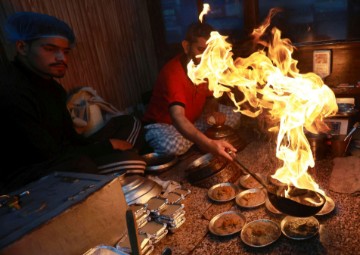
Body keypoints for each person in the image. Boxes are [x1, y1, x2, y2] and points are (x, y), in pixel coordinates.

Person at [0, 12, 145, 193]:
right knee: (110, 163)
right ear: (22, 47)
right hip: (30, 174)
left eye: (65, 51)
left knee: (129, 122)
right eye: (50, 49)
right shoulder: (11, 90)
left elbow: (71, 139)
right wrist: (107, 146)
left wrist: (104, 144)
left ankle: (118, 168)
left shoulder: (53, 88)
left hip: (64, 154)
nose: (62, 58)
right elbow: (47, 155)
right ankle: (118, 173)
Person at [142, 22, 240, 161]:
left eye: (209, 52)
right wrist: (210, 144)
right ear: (186, 46)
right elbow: (178, 118)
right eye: (200, 50)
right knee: (173, 147)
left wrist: (213, 111)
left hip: (195, 120)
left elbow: (210, 98)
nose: (206, 57)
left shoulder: (208, 67)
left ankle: (198, 137)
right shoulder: (173, 73)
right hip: (165, 126)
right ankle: (203, 139)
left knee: (235, 115)